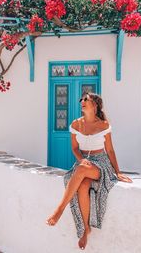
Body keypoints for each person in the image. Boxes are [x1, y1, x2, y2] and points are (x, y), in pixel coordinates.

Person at [46, 92, 132, 250]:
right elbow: (74, 148)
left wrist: (118, 172)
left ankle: (59, 209)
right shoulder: (75, 124)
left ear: (95, 105)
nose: (82, 102)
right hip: (83, 162)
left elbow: (110, 150)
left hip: (101, 163)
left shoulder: (104, 125)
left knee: (82, 169)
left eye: (86, 100)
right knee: (83, 186)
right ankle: (86, 229)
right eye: (82, 100)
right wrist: (81, 159)